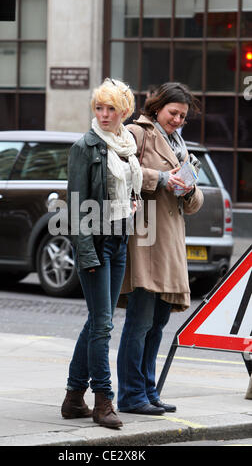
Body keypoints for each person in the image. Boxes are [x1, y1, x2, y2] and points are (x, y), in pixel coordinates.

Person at [117, 82, 204, 415]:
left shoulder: (181, 145)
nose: (178, 120)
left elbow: (195, 199)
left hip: (170, 241)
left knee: (157, 324)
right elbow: (122, 170)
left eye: (183, 116)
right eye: (174, 113)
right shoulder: (137, 133)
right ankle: (130, 395)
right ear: (157, 107)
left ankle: (148, 391)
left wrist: (186, 190)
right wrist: (162, 179)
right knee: (139, 322)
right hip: (146, 238)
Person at [61, 78, 143, 429]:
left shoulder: (125, 144)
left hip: (119, 239)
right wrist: (87, 256)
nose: (104, 114)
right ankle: (103, 401)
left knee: (98, 322)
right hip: (95, 244)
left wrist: (133, 204)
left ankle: (72, 398)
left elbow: (126, 188)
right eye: (99, 107)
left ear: (124, 111)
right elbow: (77, 208)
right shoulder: (85, 147)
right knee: (103, 326)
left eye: (111, 108)